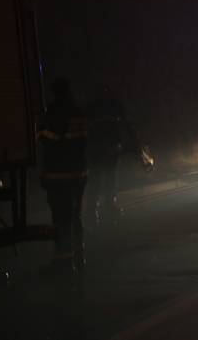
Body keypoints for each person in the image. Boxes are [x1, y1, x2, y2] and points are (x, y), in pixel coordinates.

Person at [38, 78, 88, 274]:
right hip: (79, 174)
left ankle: (63, 262)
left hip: (59, 175)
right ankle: (78, 255)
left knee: (61, 219)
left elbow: (47, 138)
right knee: (75, 216)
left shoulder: (55, 112)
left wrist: (40, 130)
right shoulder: (79, 112)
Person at [87, 85, 133, 224]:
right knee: (109, 177)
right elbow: (125, 124)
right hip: (109, 148)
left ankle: (93, 210)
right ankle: (107, 207)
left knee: (97, 178)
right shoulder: (114, 106)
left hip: (97, 148)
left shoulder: (92, 107)